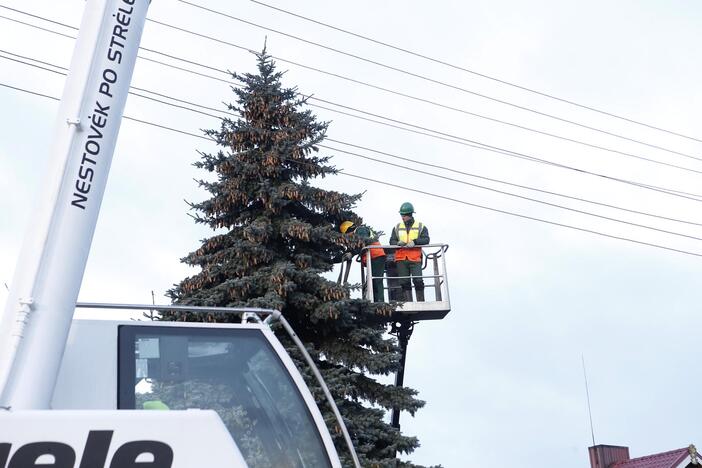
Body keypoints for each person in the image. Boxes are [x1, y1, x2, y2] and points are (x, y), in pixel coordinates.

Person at [389, 202, 429, 302]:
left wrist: (415, 242)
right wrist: (398, 243)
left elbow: (426, 239)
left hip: (415, 258)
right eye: (401, 215)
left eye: (404, 215)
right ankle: (409, 302)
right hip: (401, 258)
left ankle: (421, 302)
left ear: (410, 214)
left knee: (418, 280)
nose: (402, 217)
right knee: (404, 282)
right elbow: (391, 241)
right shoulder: (397, 227)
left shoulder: (420, 226)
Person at [340, 221, 386, 302]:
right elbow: (356, 247)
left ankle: (379, 301)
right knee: (371, 281)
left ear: (349, 230)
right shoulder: (357, 234)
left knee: (376, 280)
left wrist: (352, 253)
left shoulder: (361, 230)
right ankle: (375, 300)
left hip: (376, 256)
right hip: (372, 257)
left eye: (346, 234)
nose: (347, 237)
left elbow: (363, 243)